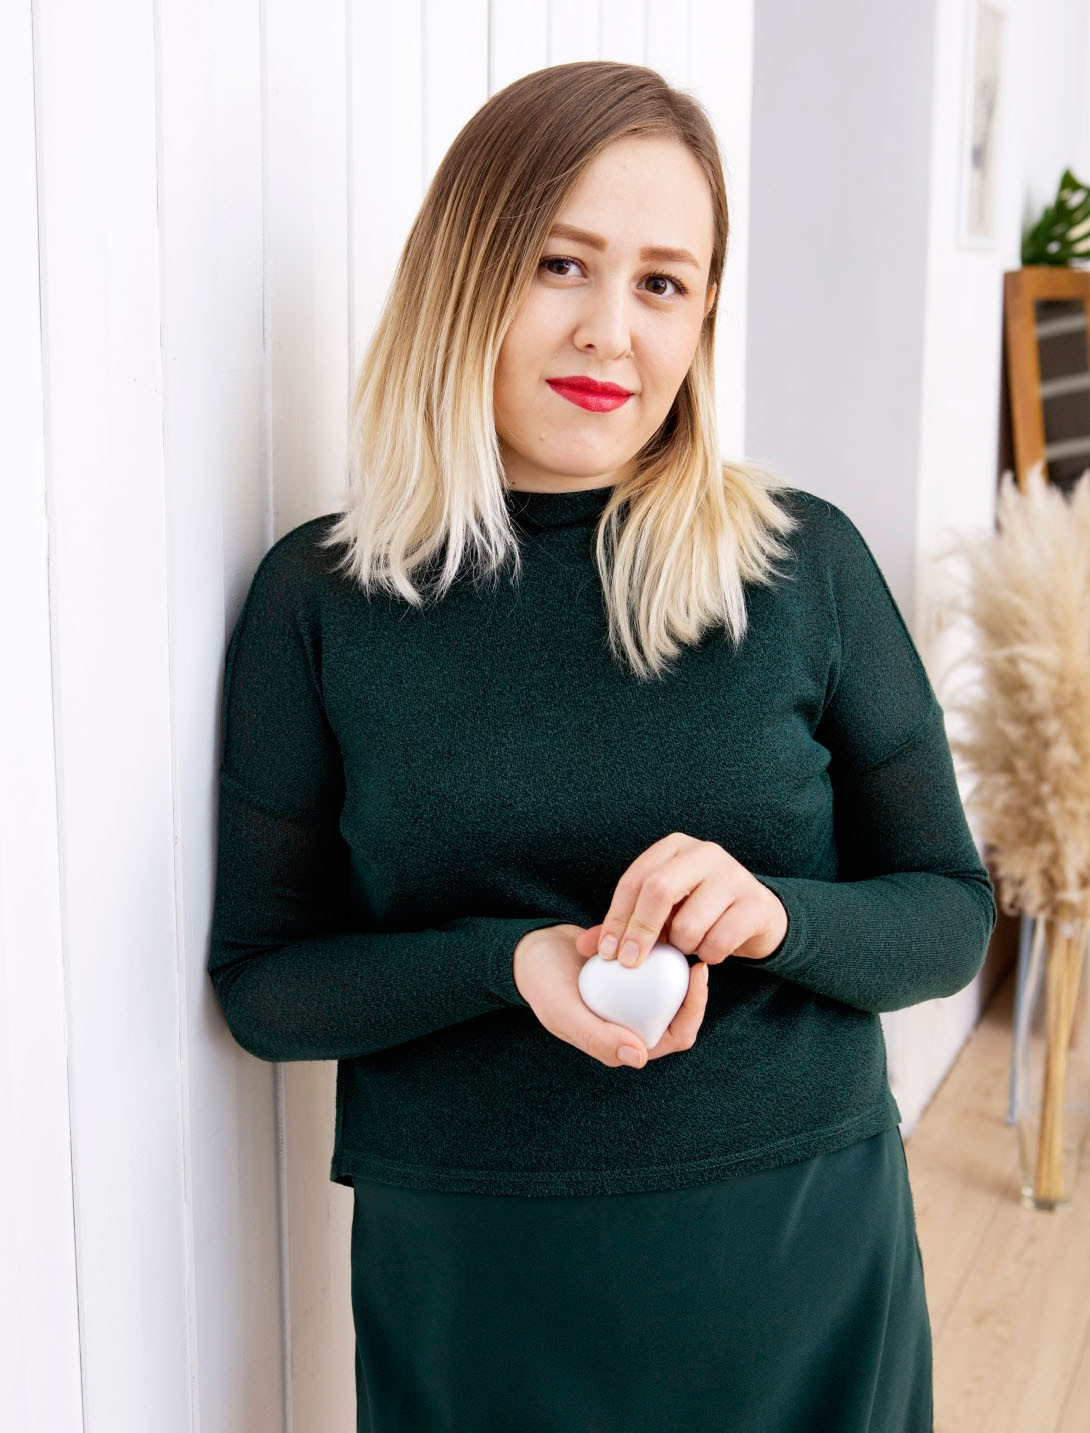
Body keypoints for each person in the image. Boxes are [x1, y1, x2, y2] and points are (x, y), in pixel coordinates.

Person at [208, 60, 995, 1433]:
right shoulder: (323, 601)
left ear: (703, 315)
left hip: (796, 1249)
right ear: (465, 271)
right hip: (476, 1273)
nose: (609, 333)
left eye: (662, 284)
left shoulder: (799, 566)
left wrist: (775, 916)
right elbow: (267, 986)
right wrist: (506, 964)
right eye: (559, 263)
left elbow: (947, 916)